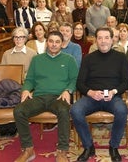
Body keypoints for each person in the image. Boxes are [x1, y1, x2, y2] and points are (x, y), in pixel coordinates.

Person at [13, 31, 78, 162]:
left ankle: (62, 150)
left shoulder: (69, 60)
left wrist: (68, 90)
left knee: (64, 110)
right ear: (47, 42)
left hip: (59, 97)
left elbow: (74, 79)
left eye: (57, 42)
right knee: (19, 110)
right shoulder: (37, 59)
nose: (54, 44)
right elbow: (30, 79)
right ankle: (28, 149)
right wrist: (26, 89)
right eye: (51, 41)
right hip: (39, 97)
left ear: (62, 44)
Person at [70, 26, 128, 162]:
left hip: (113, 96)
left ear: (112, 40)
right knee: (75, 110)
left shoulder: (121, 58)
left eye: (106, 38)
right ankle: (88, 146)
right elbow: (80, 83)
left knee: (122, 110)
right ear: (96, 41)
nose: (103, 41)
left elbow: (127, 81)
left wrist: (114, 91)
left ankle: (113, 146)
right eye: (100, 38)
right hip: (92, 97)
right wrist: (90, 92)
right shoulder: (88, 59)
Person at [0, 27, 37, 138]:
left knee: (16, 95)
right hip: (9, 85)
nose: (18, 39)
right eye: (16, 37)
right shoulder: (7, 54)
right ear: (13, 39)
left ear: (25, 39)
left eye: (21, 37)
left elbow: (35, 74)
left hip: (25, 85)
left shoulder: (32, 54)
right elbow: (2, 72)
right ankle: (6, 124)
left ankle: (11, 126)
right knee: (3, 94)